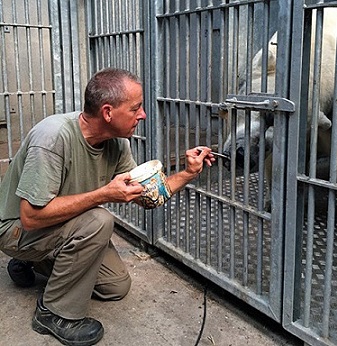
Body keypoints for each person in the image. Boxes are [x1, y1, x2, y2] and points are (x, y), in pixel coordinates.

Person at [0, 67, 214, 345]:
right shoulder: (52, 138)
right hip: (15, 229)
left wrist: (187, 173)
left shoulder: (117, 143)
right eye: (136, 108)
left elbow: (146, 197)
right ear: (108, 112)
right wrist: (102, 194)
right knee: (99, 221)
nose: (143, 115)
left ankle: (35, 259)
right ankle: (52, 313)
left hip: (60, 225)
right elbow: (30, 217)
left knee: (115, 285)